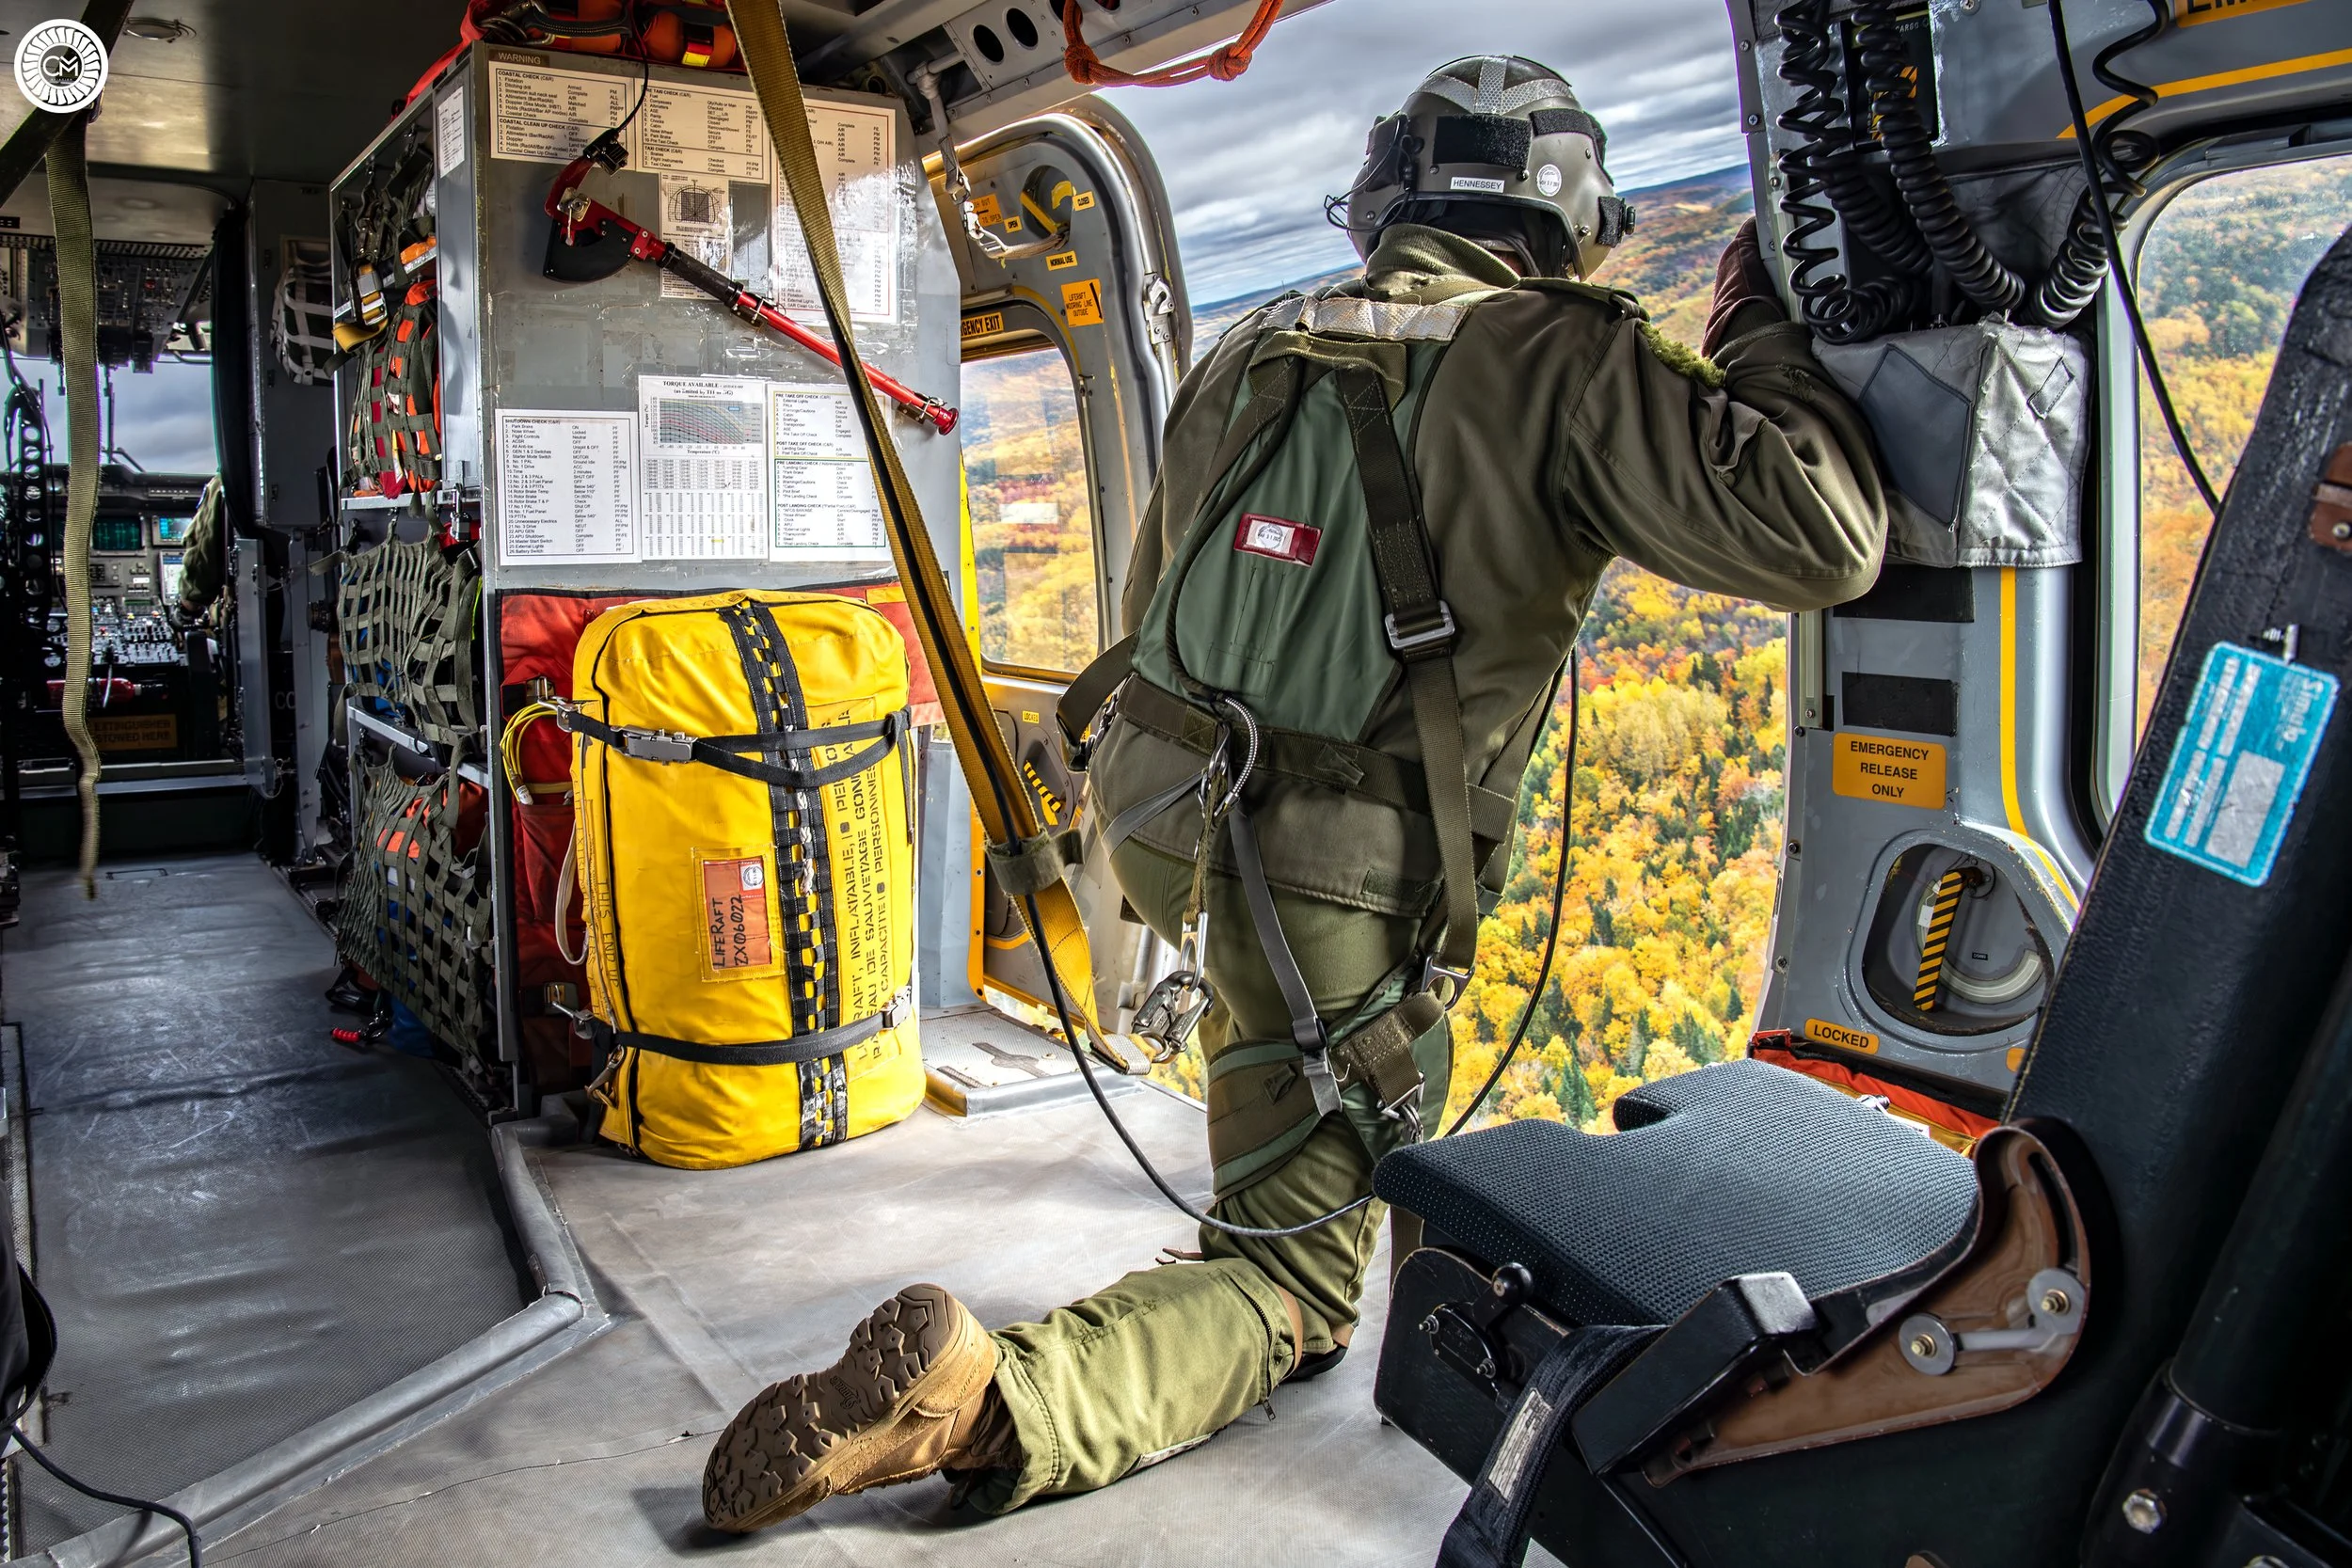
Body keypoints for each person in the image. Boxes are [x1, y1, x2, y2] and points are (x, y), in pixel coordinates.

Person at [699, 54, 1888, 1532]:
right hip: (1331, 878)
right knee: (1287, 1276)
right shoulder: (1563, 354)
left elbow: (1152, 611)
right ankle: (996, 1395)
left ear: (1392, 197)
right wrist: (1759, 324)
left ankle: (1404, 1310)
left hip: (1171, 817)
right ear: (1566, 217)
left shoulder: (1253, 346)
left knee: (1327, 1101)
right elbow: (1821, 532)